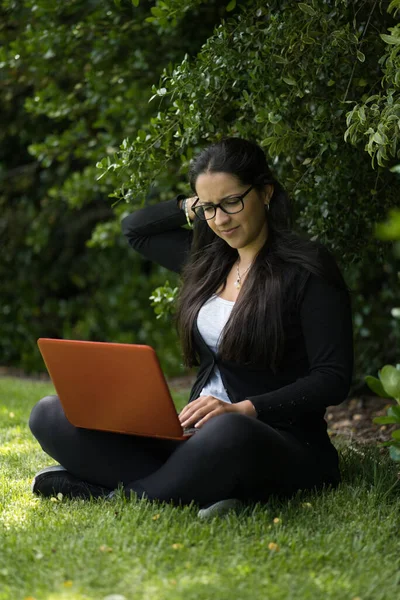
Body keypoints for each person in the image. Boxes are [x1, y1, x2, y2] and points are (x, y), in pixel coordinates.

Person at [29, 137, 354, 518]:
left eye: (232, 201)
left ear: (265, 192)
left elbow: (332, 378)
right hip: (194, 436)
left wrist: (243, 410)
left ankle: (112, 495)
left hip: (275, 440)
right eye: (210, 208)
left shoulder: (307, 268)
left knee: (227, 434)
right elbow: (136, 229)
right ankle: (202, 488)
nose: (221, 220)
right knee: (50, 413)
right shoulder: (208, 262)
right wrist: (188, 206)